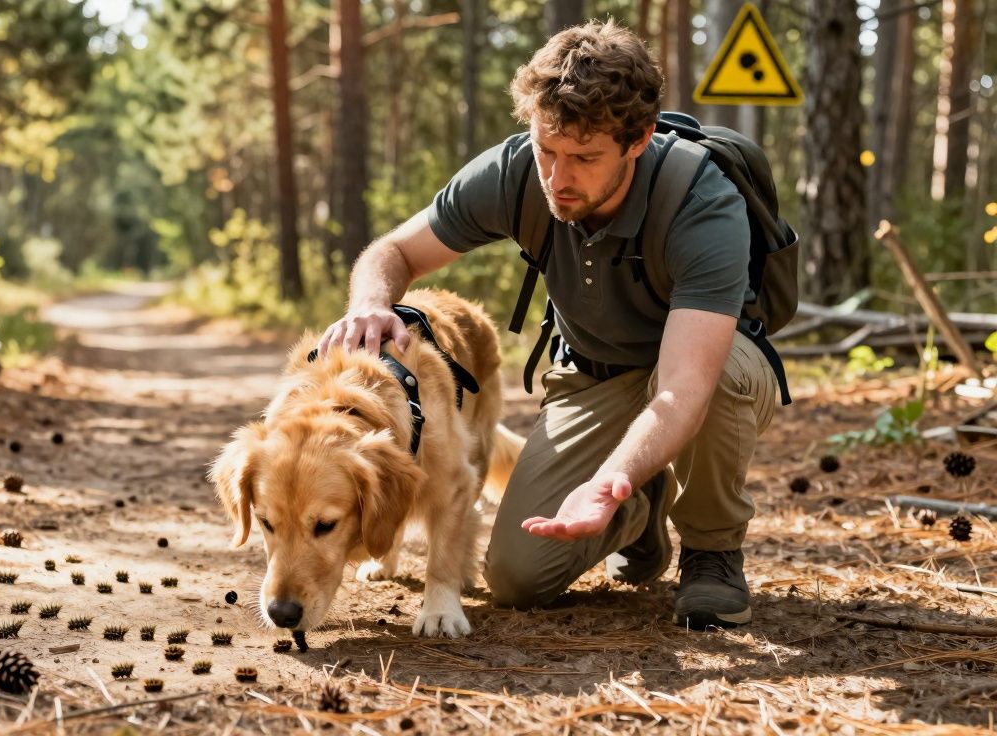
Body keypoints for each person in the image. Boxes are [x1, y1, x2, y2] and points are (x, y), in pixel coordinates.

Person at [313, 19, 779, 630]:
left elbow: (681, 390)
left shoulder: (703, 203)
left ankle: (712, 553)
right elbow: (392, 253)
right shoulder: (513, 172)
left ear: (637, 140)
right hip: (591, 377)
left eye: (585, 158)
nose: (558, 178)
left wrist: (607, 476)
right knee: (515, 577)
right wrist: (370, 303)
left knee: (714, 385)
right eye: (547, 150)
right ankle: (639, 511)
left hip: (698, 372)